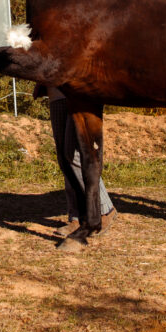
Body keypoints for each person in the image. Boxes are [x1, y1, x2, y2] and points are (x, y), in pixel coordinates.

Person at [45, 86, 116, 236]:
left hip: (79, 91)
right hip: (55, 93)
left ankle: (105, 209)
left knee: (74, 155)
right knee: (64, 159)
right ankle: (77, 217)